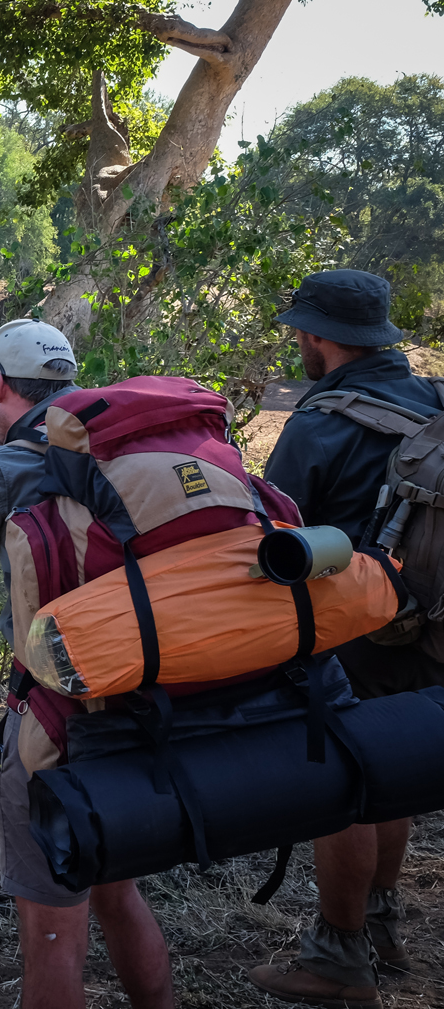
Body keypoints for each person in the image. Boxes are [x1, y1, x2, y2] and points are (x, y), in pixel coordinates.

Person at [0, 318, 174, 1009]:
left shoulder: (1, 466)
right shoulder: (117, 443)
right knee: (116, 887)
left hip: (59, 721)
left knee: (53, 924)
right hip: (151, 700)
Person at [249, 269, 444, 1009]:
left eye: (300, 329)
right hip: (433, 623)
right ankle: (383, 924)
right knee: (393, 776)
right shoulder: (433, 399)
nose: (298, 341)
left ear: (322, 337)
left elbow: (271, 542)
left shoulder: (319, 423)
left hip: (356, 629)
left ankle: (338, 957)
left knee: (346, 792)